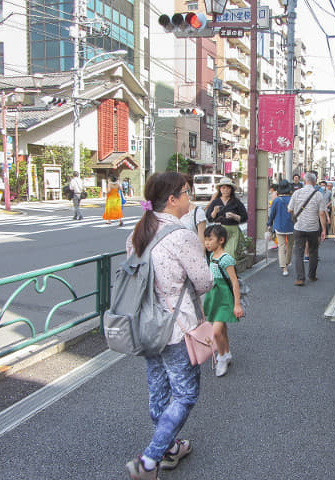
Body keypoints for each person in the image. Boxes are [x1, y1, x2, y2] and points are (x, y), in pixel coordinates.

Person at [125, 172, 213, 480]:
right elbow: (204, 281)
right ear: (172, 199)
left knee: (158, 391)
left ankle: (171, 447)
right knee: (186, 394)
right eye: (187, 193)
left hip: (147, 325)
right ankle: (150, 460)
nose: (191, 198)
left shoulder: (138, 232)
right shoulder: (181, 235)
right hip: (178, 328)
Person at [203, 225, 243, 377]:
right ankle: (226, 353)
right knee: (222, 329)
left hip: (225, 298)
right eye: (206, 239)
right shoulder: (212, 255)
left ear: (221, 240)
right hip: (215, 295)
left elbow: (234, 282)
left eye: (210, 239)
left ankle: (221, 358)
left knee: (216, 331)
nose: (207, 243)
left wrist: (237, 304)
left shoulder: (226, 258)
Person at [287, 172, 327, 286]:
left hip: (299, 227)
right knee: (313, 251)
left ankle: (300, 278)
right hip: (313, 227)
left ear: (304, 182)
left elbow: (289, 210)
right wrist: (324, 230)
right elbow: (322, 214)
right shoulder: (319, 195)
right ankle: (312, 276)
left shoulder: (297, 193)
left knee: (299, 252)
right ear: (314, 182)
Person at [205, 177, 248, 260]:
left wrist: (234, 216)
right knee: (219, 255)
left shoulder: (236, 202)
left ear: (231, 190)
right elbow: (209, 218)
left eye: (228, 188)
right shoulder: (216, 202)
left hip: (233, 231)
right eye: (223, 188)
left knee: (230, 255)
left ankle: (228, 271)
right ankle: (220, 272)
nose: (225, 190)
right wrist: (214, 211)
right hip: (219, 231)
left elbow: (244, 217)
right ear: (220, 189)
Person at [267, 179, 294, 276]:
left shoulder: (276, 200)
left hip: (279, 226)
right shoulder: (292, 199)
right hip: (291, 226)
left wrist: (269, 224)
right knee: (290, 246)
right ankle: (287, 261)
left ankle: (284, 268)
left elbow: (272, 214)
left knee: (281, 246)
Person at [180, 177, 206, 245]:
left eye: (187, 191)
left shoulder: (198, 213)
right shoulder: (169, 212)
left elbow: (202, 242)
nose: (184, 194)